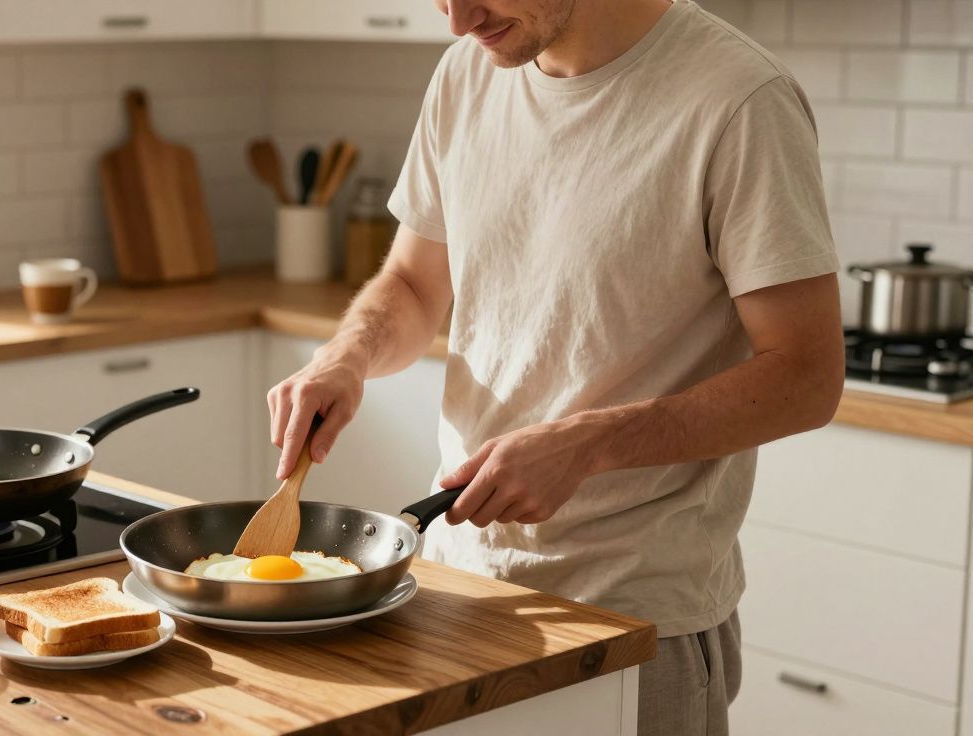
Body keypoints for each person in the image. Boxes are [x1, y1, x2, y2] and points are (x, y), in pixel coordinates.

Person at [265, 0, 845, 733]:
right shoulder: (468, 74)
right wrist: (346, 356)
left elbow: (806, 377)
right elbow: (414, 286)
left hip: (636, 624)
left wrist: (588, 444)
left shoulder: (737, 100)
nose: (458, 19)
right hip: (459, 592)